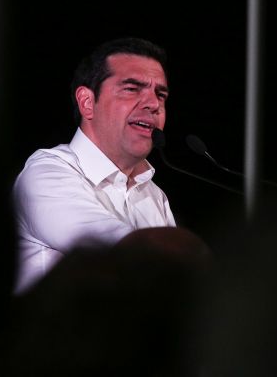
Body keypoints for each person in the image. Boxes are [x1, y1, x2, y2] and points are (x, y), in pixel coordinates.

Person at [12, 37, 177, 293]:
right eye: (132, 89)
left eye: (161, 94)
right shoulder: (45, 173)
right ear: (87, 102)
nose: (153, 104)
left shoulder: (154, 196)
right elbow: (112, 250)